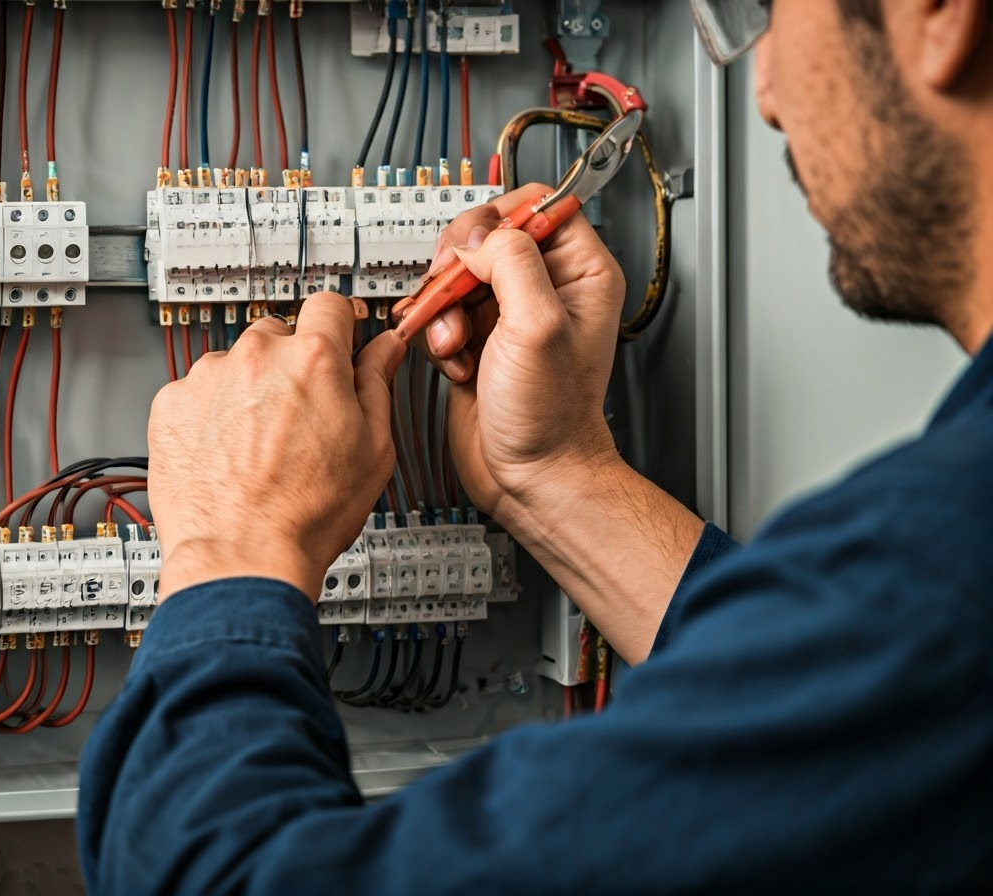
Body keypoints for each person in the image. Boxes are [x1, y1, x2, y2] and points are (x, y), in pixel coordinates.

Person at [79, 0, 993, 890]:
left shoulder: (949, 576)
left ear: (938, 15)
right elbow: (824, 709)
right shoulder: (942, 588)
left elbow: (216, 874)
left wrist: (229, 555)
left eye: (766, 13)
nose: (764, 95)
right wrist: (553, 475)